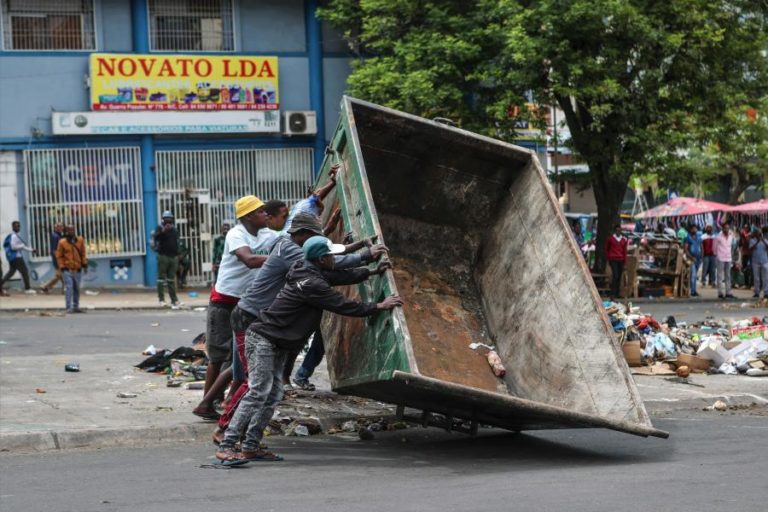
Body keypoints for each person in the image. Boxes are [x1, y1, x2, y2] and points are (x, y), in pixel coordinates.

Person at [215, 236, 402, 463]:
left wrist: (370, 272)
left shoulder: (307, 269)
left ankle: (251, 446)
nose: (335, 259)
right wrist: (379, 306)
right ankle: (227, 445)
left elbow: (337, 276)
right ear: (322, 259)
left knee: (273, 394)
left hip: (277, 341)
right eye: (332, 256)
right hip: (264, 339)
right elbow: (343, 304)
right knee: (258, 392)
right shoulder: (312, 283)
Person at [194, 197, 286, 420]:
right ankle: (207, 403)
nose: (266, 214)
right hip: (224, 301)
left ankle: (225, 401)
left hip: (246, 305)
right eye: (261, 211)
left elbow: (292, 241)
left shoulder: (268, 235)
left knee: (239, 358)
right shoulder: (236, 234)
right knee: (218, 356)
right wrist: (279, 258)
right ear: (248, 216)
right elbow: (249, 260)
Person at [151, 211, 182, 308]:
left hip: (173, 257)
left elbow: (177, 241)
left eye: (170, 219)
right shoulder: (159, 228)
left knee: (171, 279)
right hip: (163, 256)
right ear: (163, 219)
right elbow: (155, 237)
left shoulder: (175, 229)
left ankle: (174, 300)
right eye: (166, 219)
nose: (168, 221)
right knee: (161, 278)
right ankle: (161, 300)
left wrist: (178, 254)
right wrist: (163, 231)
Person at [55, 224, 87, 313]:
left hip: (77, 269)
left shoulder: (80, 240)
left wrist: (84, 264)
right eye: (69, 230)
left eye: (72, 230)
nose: (71, 232)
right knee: (69, 288)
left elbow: (83, 253)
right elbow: (59, 256)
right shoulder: (62, 242)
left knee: (77, 288)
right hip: (67, 269)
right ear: (66, 232)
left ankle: (76, 306)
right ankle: (68, 307)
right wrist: (62, 267)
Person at [1, 221, 37, 293]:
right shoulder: (14, 236)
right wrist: (22, 246)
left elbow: (22, 247)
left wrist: (31, 250)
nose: (18, 227)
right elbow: (13, 247)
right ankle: (27, 289)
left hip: (14, 258)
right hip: (17, 257)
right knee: (25, 271)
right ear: (13, 227)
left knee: (11, 272)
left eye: (19, 226)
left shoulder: (16, 235)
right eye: (16, 226)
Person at [713, 222, 737, 299]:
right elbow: (714, 248)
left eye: (728, 228)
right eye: (725, 228)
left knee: (728, 276)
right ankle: (720, 293)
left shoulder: (731, 236)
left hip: (728, 258)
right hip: (720, 258)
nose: (726, 229)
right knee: (720, 276)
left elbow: (733, 246)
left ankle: (728, 292)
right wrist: (717, 255)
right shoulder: (718, 237)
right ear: (722, 229)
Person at [605, 224, 628, 298]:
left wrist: (625, 263)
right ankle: (613, 293)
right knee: (615, 275)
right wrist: (608, 258)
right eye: (617, 230)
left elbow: (625, 252)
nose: (618, 232)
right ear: (615, 231)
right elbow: (607, 249)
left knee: (619, 277)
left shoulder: (624, 240)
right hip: (613, 259)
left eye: (619, 230)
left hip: (620, 259)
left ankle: (617, 293)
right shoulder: (611, 239)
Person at [41, 222, 64, 294]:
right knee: (61, 275)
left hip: (59, 258)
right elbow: (54, 250)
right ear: (56, 228)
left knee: (59, 276)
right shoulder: (55, 236)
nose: (61, 228)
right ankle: (45, 286)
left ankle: (45, 286)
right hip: (58, 259)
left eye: (61, 226)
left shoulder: (58, 235)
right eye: (59, 227)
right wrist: (58, 259)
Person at [748, 227, 768, 299]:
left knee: (765, 278)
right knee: (756, 278)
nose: (759, 234)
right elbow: (750, 249)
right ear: (755, 234)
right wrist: (757, 241)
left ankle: (766, 292)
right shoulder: (752, 240)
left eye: (760, 233)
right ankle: (757, 292)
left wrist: (763, 240)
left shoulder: (765, 240)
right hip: (755, 261)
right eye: (757, 233)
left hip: (765, 261)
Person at [683, 224, 702, 297]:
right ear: (690, 230)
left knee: (694, 275)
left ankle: (694, 290)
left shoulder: (698, 237)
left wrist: (701, 255)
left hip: (698, 258)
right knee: (693, 275)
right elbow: (685, 249)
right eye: (693, 229)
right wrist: (691, 257)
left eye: (696, 229)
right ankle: (693, 291)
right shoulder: (687, 238)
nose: (695, 230)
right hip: (691, 259)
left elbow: (701, 246)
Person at [739, 224, 753, 289]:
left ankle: (751, 284)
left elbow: (749, 243)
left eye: (746, 228)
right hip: (744, 254)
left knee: (750, 269)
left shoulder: (750, 236)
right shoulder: (742, 236)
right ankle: (746, 284)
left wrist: (744, 235)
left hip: (750, 255)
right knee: (744, 269)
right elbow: (740, 245)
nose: (745, 229)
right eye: (744, 228)